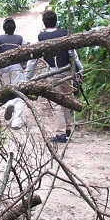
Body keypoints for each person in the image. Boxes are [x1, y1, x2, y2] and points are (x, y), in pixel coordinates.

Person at [26, 9, 83, 143]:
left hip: (52, 73)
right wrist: (80, 70)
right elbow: (72, 54)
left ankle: (60, 134)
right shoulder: (64, 34)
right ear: (56, 21)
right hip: (68, 72)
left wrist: (28, 77)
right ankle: (68, 129)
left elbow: (33, 60)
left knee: (57, 104)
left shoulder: (41, 37)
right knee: (67, 100)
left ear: (44, 23)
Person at [0, 17, 27, 130]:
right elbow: (26, 50)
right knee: (19, 94)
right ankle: (16, 121)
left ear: (4, 28)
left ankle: (8, 104)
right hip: (17, 68)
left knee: (6, 91)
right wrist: (24, 64)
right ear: (14, 28)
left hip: (3, 69)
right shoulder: (20, 39)